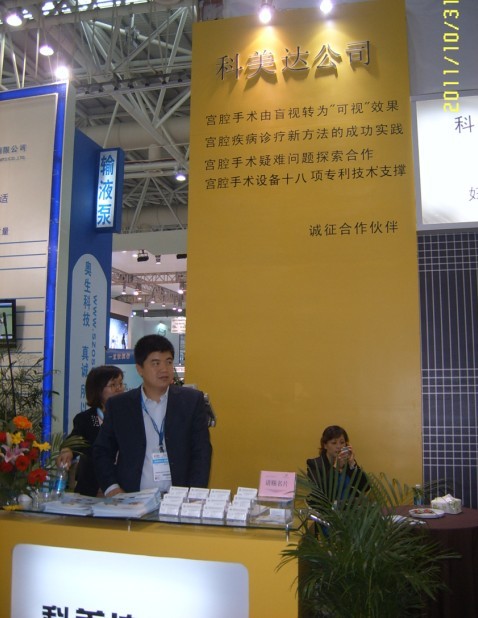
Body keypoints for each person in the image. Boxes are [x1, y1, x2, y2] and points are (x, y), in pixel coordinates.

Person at [93, 334, 212, 496]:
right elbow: (102, 451)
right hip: (132, 498)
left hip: (179, 499)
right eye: (156, 363)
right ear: (139, 369)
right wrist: (112, 488)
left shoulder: (191, 401)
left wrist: (194, 493)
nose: (164, 369)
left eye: (168, 362)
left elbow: (202, 451)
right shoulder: (120, 405)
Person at [56, 365, 125, 496]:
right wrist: (67, 450)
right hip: (93, 487)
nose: (119, 388)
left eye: (120, 384)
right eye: (113, 385)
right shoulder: (87, 418)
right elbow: (76, 439)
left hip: (123, 486)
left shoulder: (129, 415)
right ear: (98, 390)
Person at [306, 425, 369, 502]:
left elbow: (365, 487)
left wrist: (352, 464)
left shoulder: (348, 462)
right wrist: (336, 467)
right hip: (327, 508)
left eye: (342, 442)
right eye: (334, 443)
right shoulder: (314, 464)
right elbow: (321, 492)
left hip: (350, 507)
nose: (339, 446)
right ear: (325, 445)